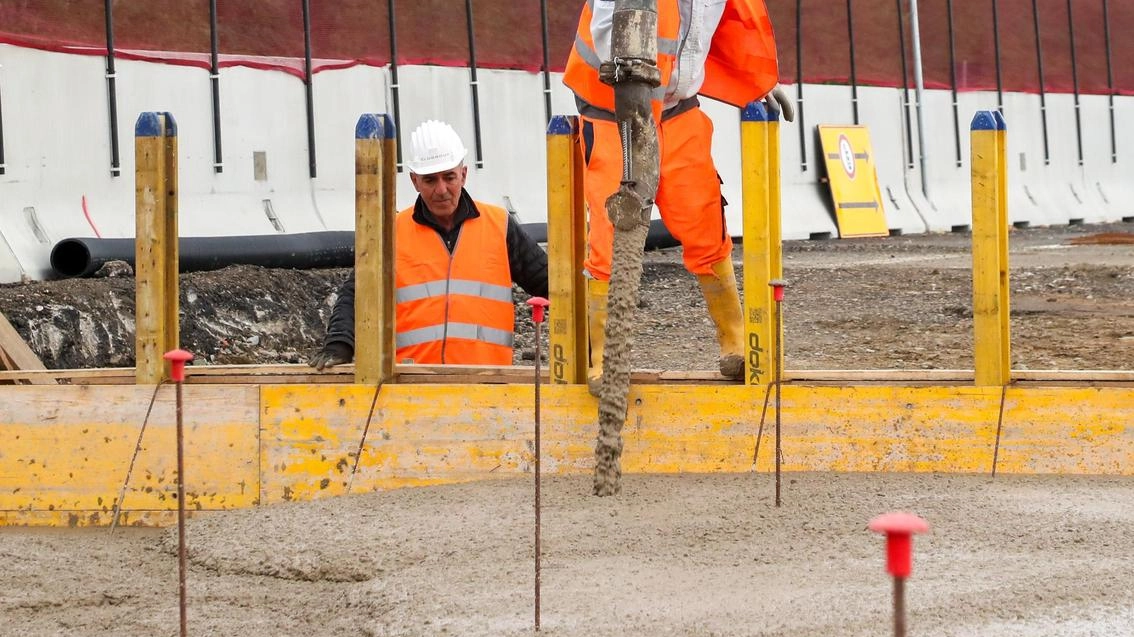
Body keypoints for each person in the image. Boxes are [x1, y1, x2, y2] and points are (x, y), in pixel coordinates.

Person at [563, 0, 795, 390]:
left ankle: (734, 340)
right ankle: (604, 358)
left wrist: (758, 81)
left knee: (703, 218)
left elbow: (711, 33)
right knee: (609, 237)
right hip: (614, 112)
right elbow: (607, 38)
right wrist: (635, 101)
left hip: (676, 109)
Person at [309, 120, 548, 368]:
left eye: (449, 177)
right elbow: (357, 293)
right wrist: (339, 344)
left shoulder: (499, 225)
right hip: (413, 382)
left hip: (488, 382)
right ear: (415, 181)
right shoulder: (393, 232)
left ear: (463, 175)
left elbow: (553, 284)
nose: (441, 189)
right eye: (430, 180)